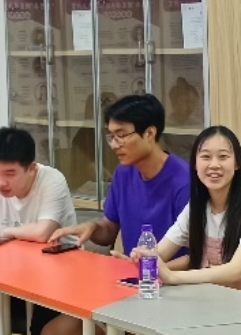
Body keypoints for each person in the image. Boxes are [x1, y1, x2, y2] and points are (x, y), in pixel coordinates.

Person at [43, 93, 190, 335]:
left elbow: (198, 256)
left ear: (150, 133)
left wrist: (153, 272)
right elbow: (109, 230)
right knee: (56, 331)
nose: (113, 145)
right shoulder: (124, 173)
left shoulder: (183, 181)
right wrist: (92, 228)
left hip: (171, 289)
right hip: (128, 283)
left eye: (121, 136)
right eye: (110, 136)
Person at [132, 125, 241, 299]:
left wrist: (172, 276)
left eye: (223, 157)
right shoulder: (196, 208)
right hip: (219, 300)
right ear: (195, 164)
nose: (214, 165)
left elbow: (237, 270)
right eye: (206, 157)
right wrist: (139, 256)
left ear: (237, 163)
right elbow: (159, 254)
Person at [0, 127, 76, 335]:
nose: (0, 182)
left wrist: (7, 232)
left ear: (32, 169)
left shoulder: (52, 181)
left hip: (56, 277)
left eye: (10, 174)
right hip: (7, 275)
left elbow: (43, 232)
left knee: (41, 327)